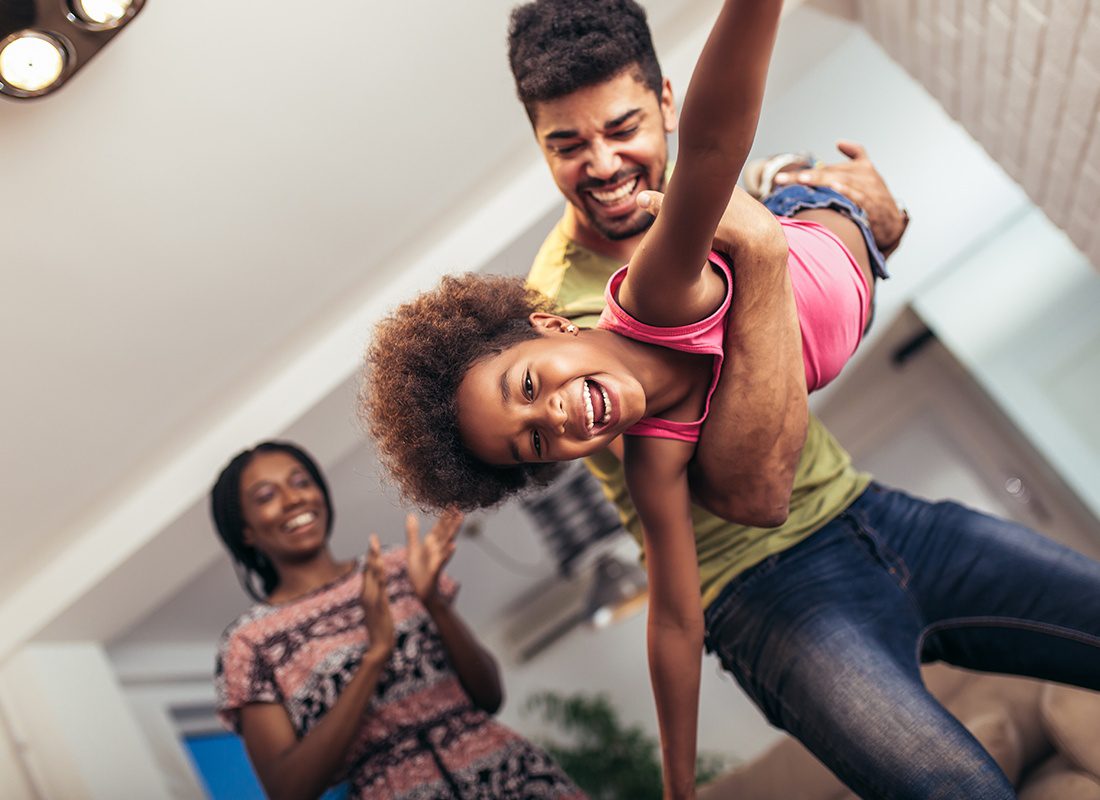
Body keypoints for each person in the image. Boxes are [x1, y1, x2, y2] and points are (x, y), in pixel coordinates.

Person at [500, 2, 1100, 799]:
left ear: (667, 101)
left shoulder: (701, 194)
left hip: (869, 511)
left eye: (622, 128)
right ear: (539, 146)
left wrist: (870, 219)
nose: (603, 164)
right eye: (566, 144)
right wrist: (768, 243)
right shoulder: (574, 333)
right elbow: (752, 483)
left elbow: (806, 250)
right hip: (760, 590)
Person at [365, 0, 893, 794]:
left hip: (823, 220)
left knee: (765, 186)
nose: (561, 416)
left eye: (531, 387)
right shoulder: (654, 456)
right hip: (820, 305)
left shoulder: (652, 294)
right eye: (535, 442)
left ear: (548, 326)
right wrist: (678, 786)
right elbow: (676, 620)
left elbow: (714, 141)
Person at [210, 441, 584, 800]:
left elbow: (489, 698)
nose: (294, 499)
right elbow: (288, 790)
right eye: (266, 496)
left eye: (300, 482)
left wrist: (432, 601)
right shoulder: (250, 641)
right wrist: (376, 655)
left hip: (515, 776)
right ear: (245, 529)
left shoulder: (398, 567)